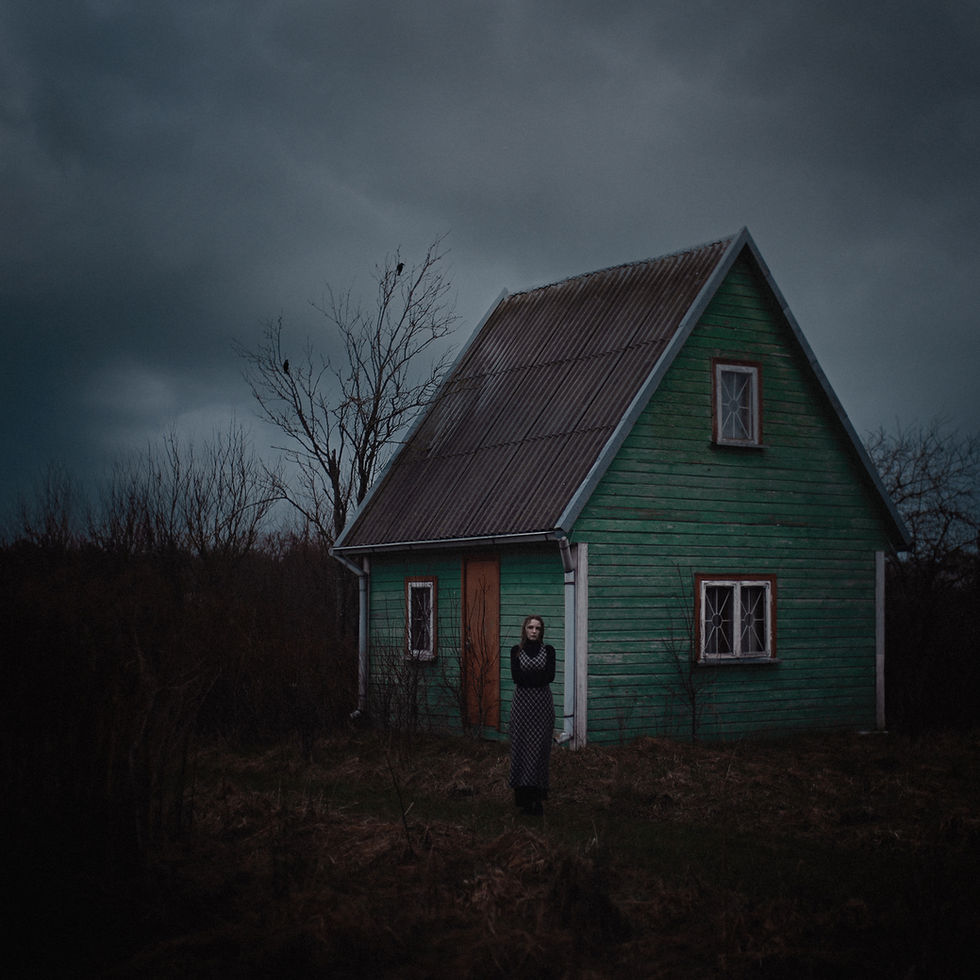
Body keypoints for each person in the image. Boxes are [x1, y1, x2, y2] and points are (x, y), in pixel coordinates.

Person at [509, 615, 556, 816]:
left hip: (543, 709)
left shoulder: (549, 651)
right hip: (521, 709)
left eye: (537, 627)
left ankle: (538, 802)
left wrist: (530, 678)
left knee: (539, 752)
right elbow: (516, 677)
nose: (534, 631)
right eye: (530, 627)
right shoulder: (516, 651)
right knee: (521, 750)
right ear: (525, 630)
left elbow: (550, 676)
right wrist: (537, 677)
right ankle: (524, 802)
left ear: (541, 631)